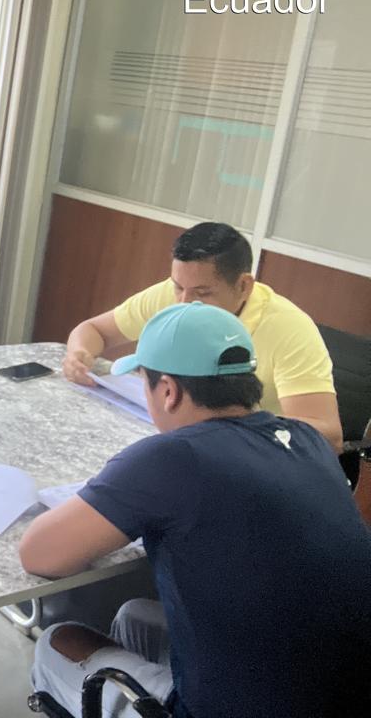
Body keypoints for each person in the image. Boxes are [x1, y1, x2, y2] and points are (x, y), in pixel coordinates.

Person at [23, 302, 371, 718]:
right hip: (343, 697)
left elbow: (40, 554)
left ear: (168, 390)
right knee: (134, 616)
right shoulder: (306, 438)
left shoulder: (172, 457)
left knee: (57, 641)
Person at [63, 221, 340, 448]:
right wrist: (79, 354)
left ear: (243, 286)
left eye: (203, 293)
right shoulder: (176, 295)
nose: (185, 303)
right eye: (178, 287)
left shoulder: (289, 328)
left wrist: (235, 426)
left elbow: (329, 436)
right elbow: (93, 330)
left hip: (250, 453)